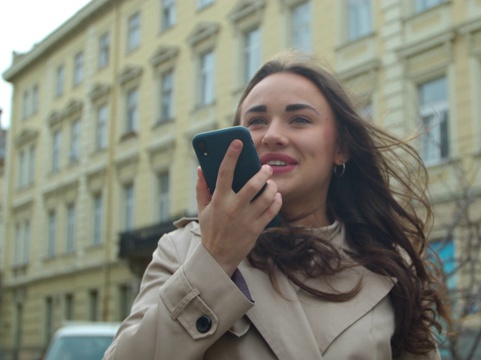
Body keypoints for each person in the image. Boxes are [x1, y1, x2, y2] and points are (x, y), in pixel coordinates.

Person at [104, 52, 449, 359]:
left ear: (341, 148)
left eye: (299, 119)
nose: (272, 135)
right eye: (255, 121)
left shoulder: (387, 265)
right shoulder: (183, 251)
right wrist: (214, 261)